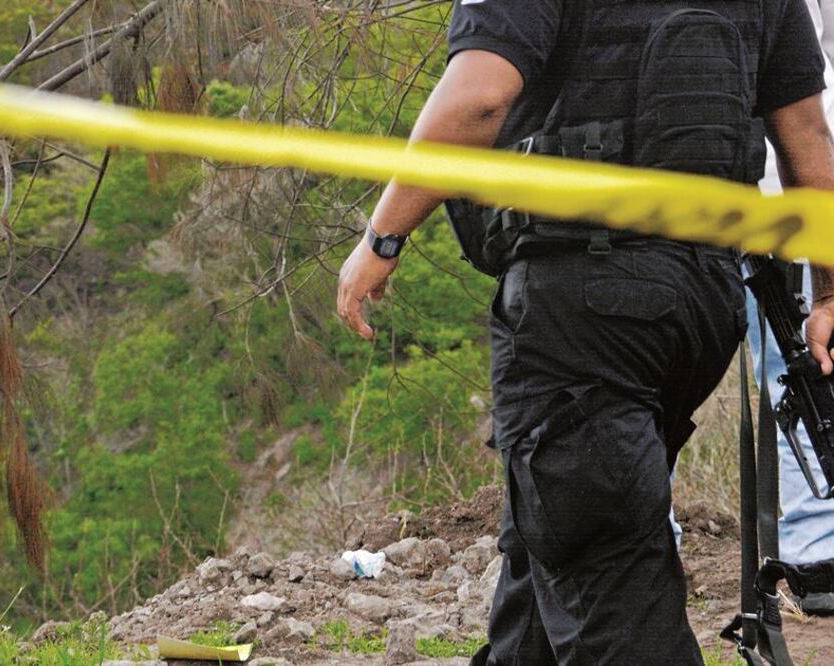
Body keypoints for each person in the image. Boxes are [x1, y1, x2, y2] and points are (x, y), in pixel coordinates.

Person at [335, 0, 834, 663]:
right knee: (550, 542)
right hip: (702, 305)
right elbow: (806, 139)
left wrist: (382, 237)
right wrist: (828, 291)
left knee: (607, 583)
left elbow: (478, 100)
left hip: (584, 310)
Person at [746, 0, 834, 616]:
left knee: (805, 373)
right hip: (766, 182)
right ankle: (815, 546)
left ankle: (816, 552)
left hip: (789, 186)